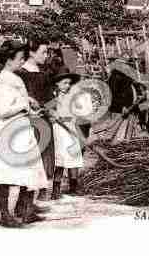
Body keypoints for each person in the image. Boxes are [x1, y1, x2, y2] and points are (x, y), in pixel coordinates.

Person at [0, 40, 48, 227]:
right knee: (5, 171)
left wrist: (29, 107)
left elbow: (17, 104)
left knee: (30, 168)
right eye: (20, 58)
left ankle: (25, 211)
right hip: (8, 129)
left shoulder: (14, 77)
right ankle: (5, 215)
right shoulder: (3, 80)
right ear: (9, 60)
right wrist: (24, 103)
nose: (22, 62)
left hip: (19, 127)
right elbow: (3, 110)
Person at [15, 38, 54, 207]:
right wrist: (28, 100)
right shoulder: (20, 73)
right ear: (31, 52)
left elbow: (50, 99)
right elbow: (15, 96)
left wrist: (51, 109)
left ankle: (32, 201)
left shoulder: (45, 74)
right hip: (27, 121)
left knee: (42, 157)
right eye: (43, 52)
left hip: (43, 120)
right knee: (29, 160)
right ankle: (22, 204)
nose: (46, 56)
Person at [49, 66, 84, 200]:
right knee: (60, 158)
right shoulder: (53, 97)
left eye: (69, 83)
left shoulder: (72, 97)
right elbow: (48, 111)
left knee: (73, 157)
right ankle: (56, 189)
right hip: (59, 130)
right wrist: (53, 116)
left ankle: (73, 187)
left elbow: (76, 112)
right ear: (57, 83)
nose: (67, 85)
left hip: (70, 129)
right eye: (64, 83)